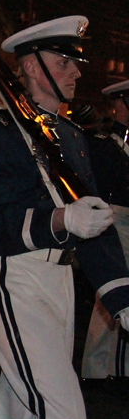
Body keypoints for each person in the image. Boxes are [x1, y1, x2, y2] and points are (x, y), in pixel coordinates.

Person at [0, 16, 129, 419]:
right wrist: (58, 221)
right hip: (14, 277)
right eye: (63, 63)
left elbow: (95, 223)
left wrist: (121, 298)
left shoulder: (70, 135)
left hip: (58, 283)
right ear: (31, 68)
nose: (76, 73)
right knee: (61, 418)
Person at [81, 79, 129, 391]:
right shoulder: (101, 141)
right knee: (113, 290)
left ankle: (118, 367)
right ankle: (98, 368)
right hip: (116, 215)